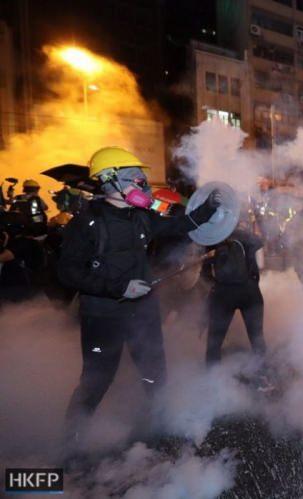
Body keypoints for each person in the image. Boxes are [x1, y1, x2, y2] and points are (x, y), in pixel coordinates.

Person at [57, 146, 220, 451]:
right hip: (102, 316)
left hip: (143, 311)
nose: (143, 185)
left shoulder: (141, 217)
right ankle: (71, 443)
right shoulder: (85, 223)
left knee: (155, 375)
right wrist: (120, 288)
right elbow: (67, 273)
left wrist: (210, 207)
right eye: (135, 178)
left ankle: (160, 433)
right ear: (109, 180)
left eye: (142, 178)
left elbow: (179, 225)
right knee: (97, 380)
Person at [203, 221, 267, 369]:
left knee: (215, 341)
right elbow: (261, 265)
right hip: (250, 293)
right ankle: (262, 373)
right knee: (257, 338)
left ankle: (212, 378)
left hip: (223, 294)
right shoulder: (252, 238)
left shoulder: (213, 238)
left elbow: (206, 272)